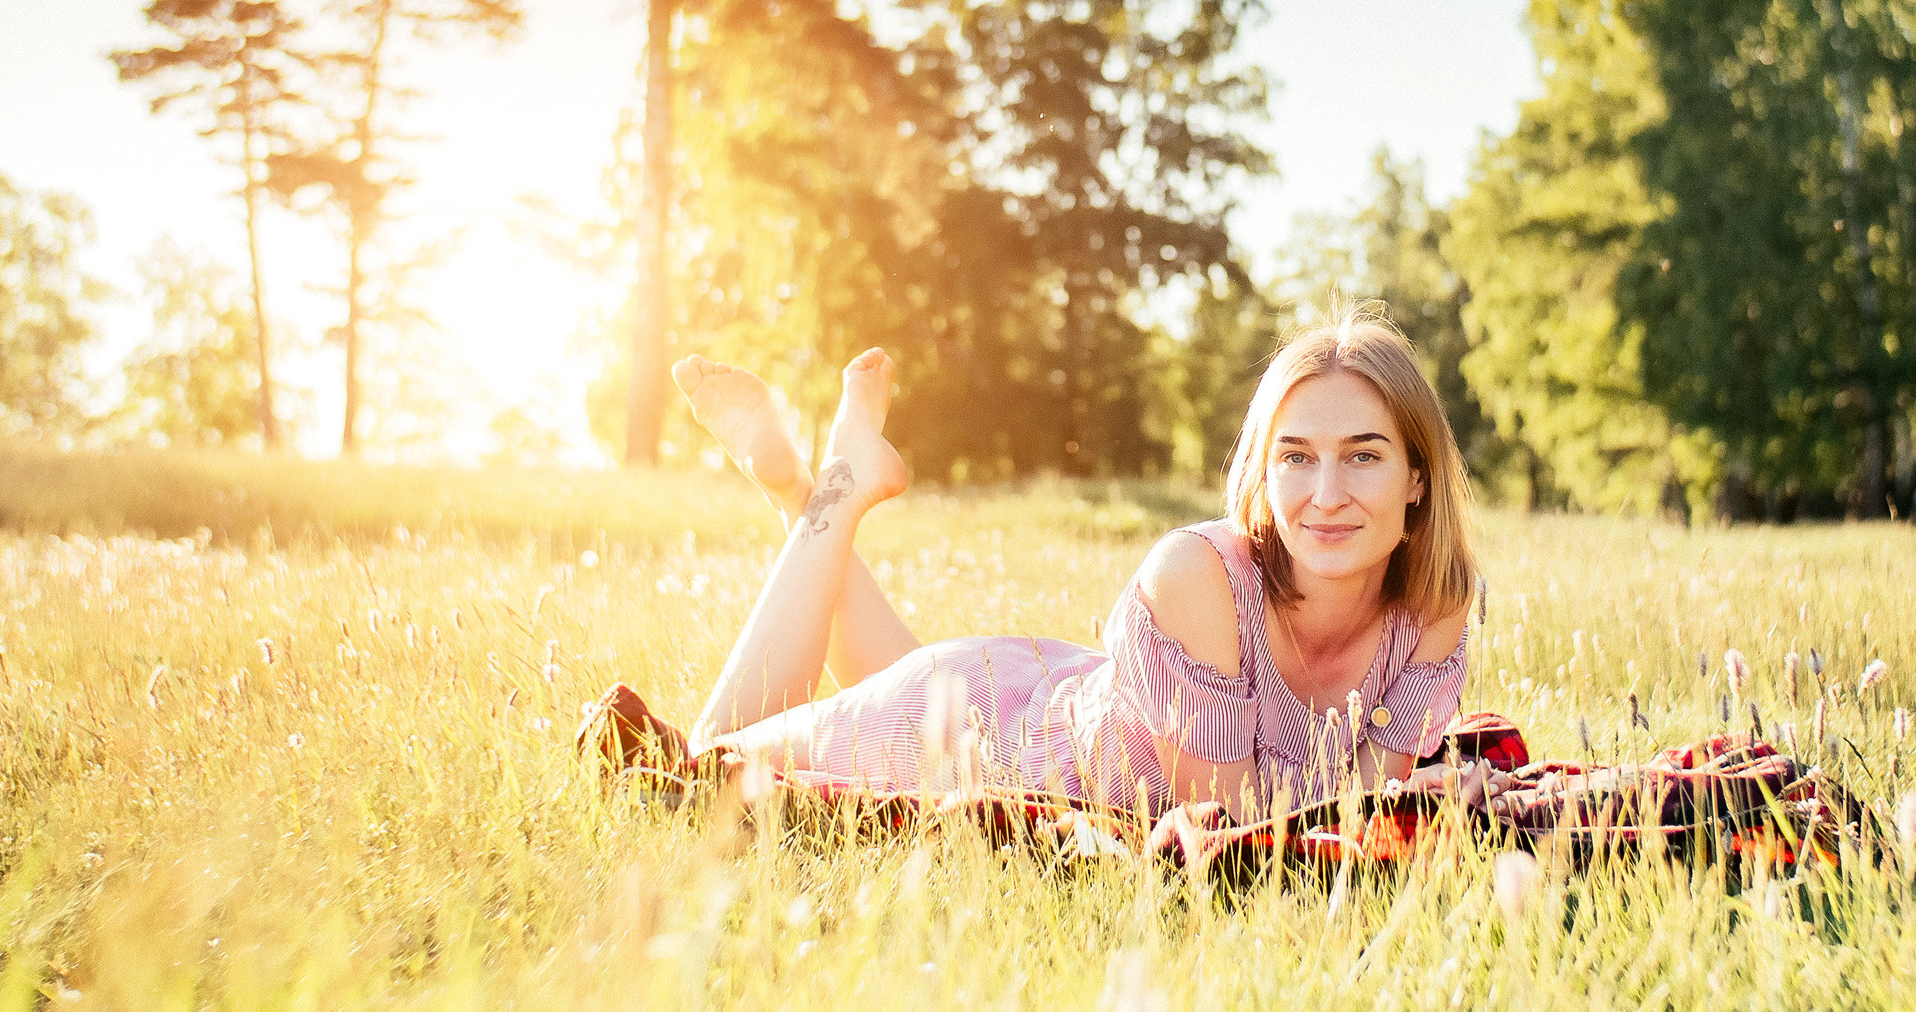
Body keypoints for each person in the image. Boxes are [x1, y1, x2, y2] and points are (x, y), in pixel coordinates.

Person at [584, 307, 1478, 838]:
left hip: (1033, 695)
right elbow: (1252, 831)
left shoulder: (1434, 603)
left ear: (1417, 478)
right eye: (1296, 457)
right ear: (1263, 470)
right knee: (700, 768)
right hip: (977, 732)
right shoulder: (1201, 574)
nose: (1325, 494)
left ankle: (805, 490)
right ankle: (833, 488)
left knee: (874, 672)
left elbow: (1370, 801)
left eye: (1363, 457)